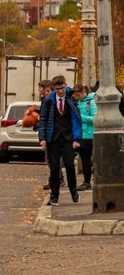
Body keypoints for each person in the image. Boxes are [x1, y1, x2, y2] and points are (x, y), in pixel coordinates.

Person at [38, 75, 82, 206]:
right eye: (57, 89)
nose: (61, 91)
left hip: (68, 138)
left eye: (62, 88)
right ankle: (54, 196)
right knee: (55, 168)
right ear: (53, 88)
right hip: (53, 137)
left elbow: (76, 120)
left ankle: (73, 190)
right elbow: (43, 120)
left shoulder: (71, 99)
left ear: (65, 85)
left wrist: (77, 139)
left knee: (69, 165)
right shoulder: (48, 101)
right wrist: (42, 138)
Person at [74, 83, 96, 190]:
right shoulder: (78, 103)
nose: (77, 97)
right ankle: (86, 182)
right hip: (81, 135)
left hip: (90, 135)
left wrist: (80, 117)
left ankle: (89, 181)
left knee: (91, 159)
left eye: (78, 95)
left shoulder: (91, 102)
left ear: (84, 92)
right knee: (85, 160)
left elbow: (95, 118)